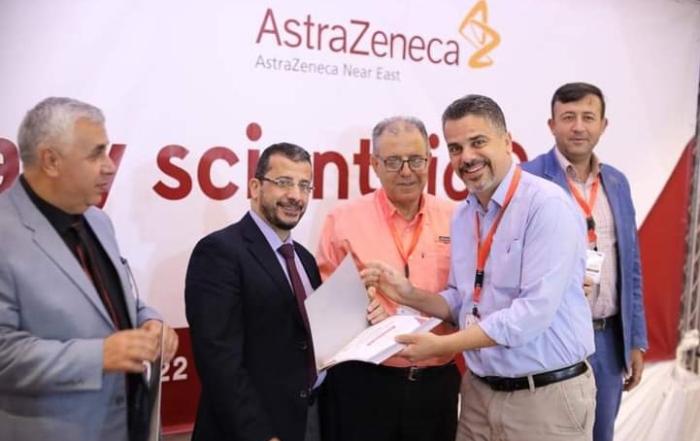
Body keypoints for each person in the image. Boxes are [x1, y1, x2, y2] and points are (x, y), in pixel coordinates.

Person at [362, 94, 597, 441]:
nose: (467, 157)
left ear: (507, 141)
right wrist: (409, 294)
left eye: (478, 142)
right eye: (455, 148)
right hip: (478, 396)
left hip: (544, 398)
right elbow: (462, 301)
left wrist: (442, 346)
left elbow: (531, 314)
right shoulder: (463, 215)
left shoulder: (546, 206)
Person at [0, 97, 179, 441]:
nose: (110, 167)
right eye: (96, 154)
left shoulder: (97, 221)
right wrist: (99, 356)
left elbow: (115, 301)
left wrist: (149, 320)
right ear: (51, 161)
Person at [316, 116, 461, 441]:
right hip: (364, 384)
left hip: (436, 385)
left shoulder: (458, 219)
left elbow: (470, 300)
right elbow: (325, 308)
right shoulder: (342, 221)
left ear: (429, 160)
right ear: (374, 164)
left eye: (415, 160)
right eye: (394, 161)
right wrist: (360, 313)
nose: (406, 171)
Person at [522, 82, 648, 441]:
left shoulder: (617, 182)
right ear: (552, 125)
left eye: (588, 117)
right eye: (568, 117)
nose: (578, 127)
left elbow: (631, 265)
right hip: (550, 339)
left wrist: (635, 339)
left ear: (603, 125)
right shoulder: (528, 179)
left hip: (607, 340)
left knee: (600, 434)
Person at [185, 143, 324, 441]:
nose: (296, 196)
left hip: (307, 423)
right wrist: (260, 435)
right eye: (284, 182)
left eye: (304, 185)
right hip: (250, 431)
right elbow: (219, 361)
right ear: (255, 187)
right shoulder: (219, 252)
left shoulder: (305, 259)